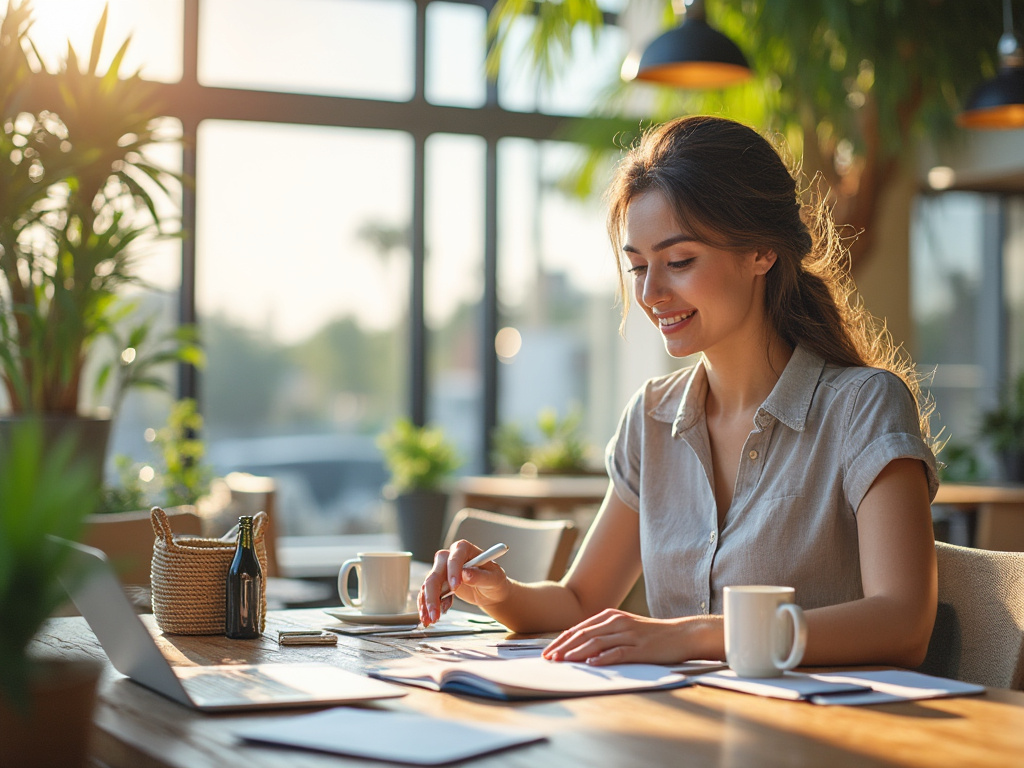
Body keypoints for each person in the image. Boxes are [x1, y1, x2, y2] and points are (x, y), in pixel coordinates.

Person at [418, 115, 939, 669]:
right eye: (638, 266)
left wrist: (691, 636)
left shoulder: (863, 406)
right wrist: (498, 592)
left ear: (762, 251)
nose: (651, 293)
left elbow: (902, 622)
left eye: (680, 261)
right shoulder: (651, 417)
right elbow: (579, 601)